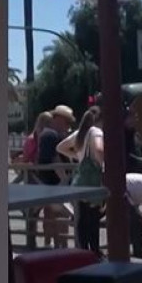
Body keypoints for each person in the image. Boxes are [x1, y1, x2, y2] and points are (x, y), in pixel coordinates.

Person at [37, 104, 76, 248]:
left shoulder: (50, 134)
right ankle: (61, 246)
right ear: (58, 119)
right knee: (61, 216)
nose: (68, 125)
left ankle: (53, 245)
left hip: (50, 183)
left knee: (53, 215)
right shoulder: (51, 135)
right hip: (55, 183)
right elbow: (54, 160)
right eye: (66, 121)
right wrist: (64, 180)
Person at [71, 106, 104, 255]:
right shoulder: (96, 131)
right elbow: (99, 149)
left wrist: (78, 157)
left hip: (80, 180)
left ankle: (83, 251)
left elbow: (61, 147)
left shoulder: (80, 134)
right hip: (92, 181)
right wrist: (102, 164)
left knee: (83, 219)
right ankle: (94, 251)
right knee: (93, 218)